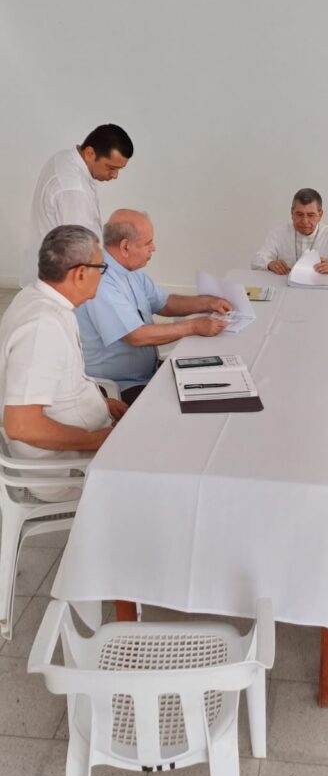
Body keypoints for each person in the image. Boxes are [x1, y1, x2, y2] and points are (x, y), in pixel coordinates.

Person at [0, 226, 127, 499]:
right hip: (65, 470)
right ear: (80, 273)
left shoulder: (39, 298)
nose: (102, 275)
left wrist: (101, 403)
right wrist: (96, 440)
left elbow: (58, 382)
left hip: (84, 444)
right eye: (101, 268)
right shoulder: (42, 326)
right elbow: (21, 426)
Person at [76, 210, 233, 403]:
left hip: (147, 373)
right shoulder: (100, 279)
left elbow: (164, 303)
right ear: (125, 247)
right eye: (147, 243)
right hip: (120, 386)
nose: (154, 248)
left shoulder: (129, 269)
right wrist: (193, 326)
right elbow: (136, 336)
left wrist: (207, 302)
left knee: (213, 379)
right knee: (193, 403)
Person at [20, 123, 134, 286]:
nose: (115, 175)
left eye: (119, 169)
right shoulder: (74, 189)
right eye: (111, 167)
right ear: (90, 153)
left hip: (48, 270)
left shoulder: (63, 157)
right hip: (61, 280)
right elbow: (81, 250)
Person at [251, 188, 328, 276]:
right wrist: (270, 264)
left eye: (311, 215)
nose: (304, 221)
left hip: (321, 292)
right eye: (299, 214)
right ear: (292, 213)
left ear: (320, 215)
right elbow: (256, 261)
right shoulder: (278, 234)